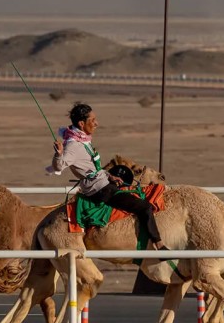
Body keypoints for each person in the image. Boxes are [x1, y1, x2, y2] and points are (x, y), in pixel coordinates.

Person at [51, 102, 169, 251]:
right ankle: (158, 244)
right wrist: (59, 154)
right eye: (93, 120)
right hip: (101, 191)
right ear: (81, 123)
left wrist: (109, 176)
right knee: (145, 207)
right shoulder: (73, 146)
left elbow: (92, 168)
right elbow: (59, 166)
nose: (96, 123)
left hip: (105, 184)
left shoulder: (83, 140)